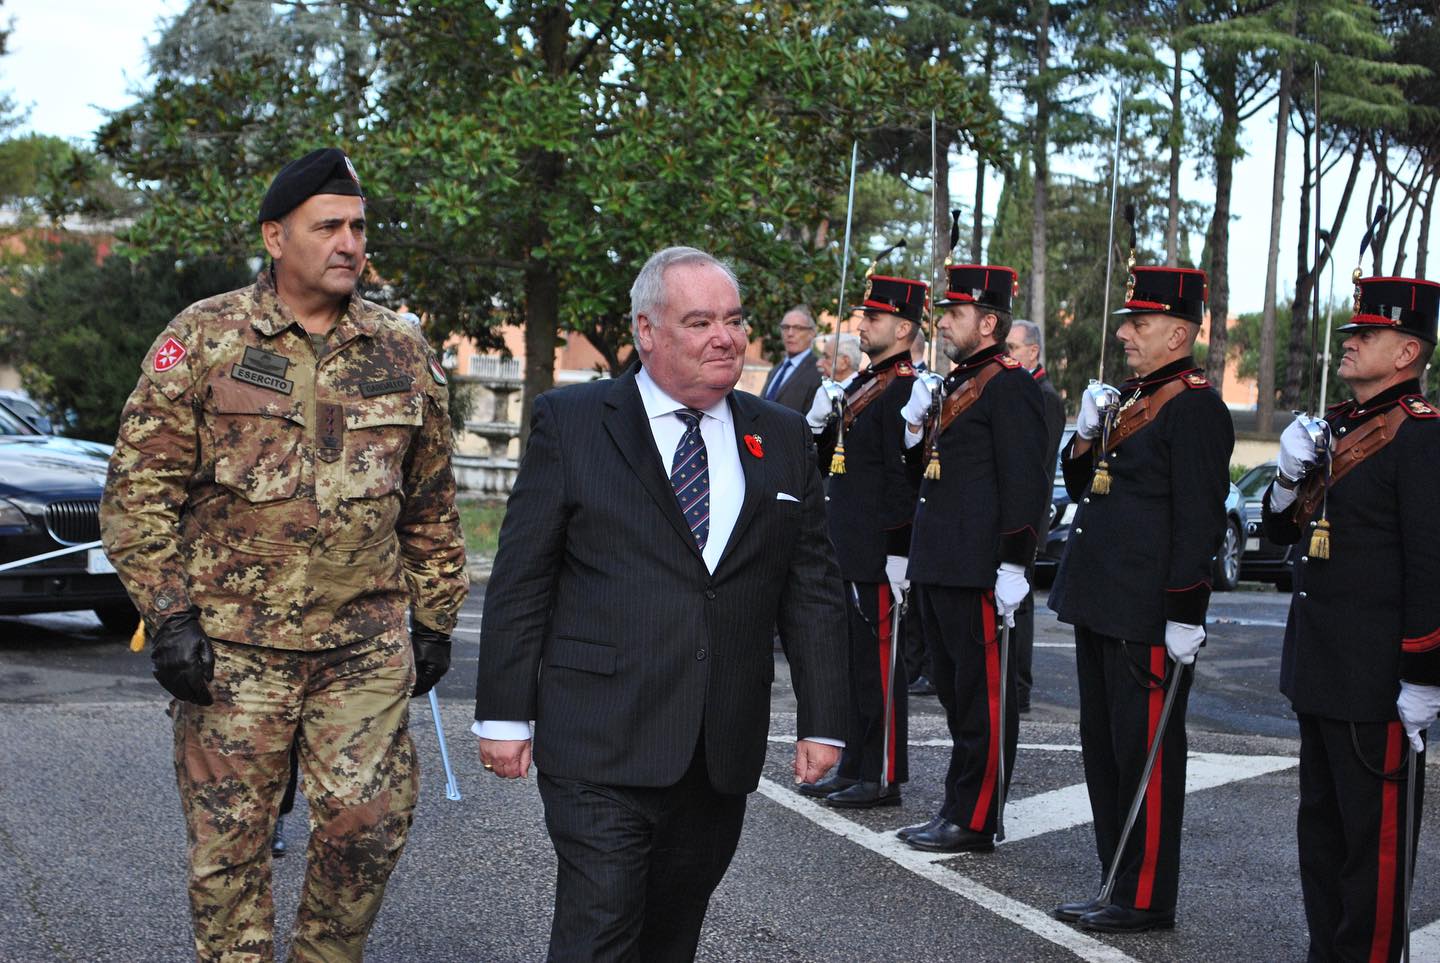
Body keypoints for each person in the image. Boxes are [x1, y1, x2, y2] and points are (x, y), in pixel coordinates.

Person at [99, 147, 469, 962]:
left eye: (359, 227)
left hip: (360, 646)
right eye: (328, 225)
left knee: (367, 827)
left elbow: (432, 501)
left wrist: (437, 618)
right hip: (231, 649)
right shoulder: (204, 337)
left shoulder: (401, 351)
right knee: (230, 849)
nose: (349, 243)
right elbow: (138, 490)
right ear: (275, 236)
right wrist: (170, 616)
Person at [473, 246, 848, 963]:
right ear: (647, 332)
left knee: (671, 937)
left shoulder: (782, 436)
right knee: (601, 927)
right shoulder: (573, 422)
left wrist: (826, 718)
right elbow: (524, 577)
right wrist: (502, 711)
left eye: (735, 321)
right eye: (700, 320)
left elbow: (814, 590)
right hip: (598, 742)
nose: (725, 337)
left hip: (717, 751)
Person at [1047, 265, 1233, 933]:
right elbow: (1079, 479)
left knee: (1144, 754)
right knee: (1104, 749)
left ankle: (1147, 892)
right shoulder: (1131, 396)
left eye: (1142, 322)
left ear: (1181, 331)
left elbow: (1200, 519)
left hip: (1146, 609)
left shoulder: (1195, 406)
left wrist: (1186, 612)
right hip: (1101, 598)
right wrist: (1084, 431)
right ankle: (1118, 875)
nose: (1126, 332)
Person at [1262, 275, 1440, 962]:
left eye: (1368, 333)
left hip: (1377, 678)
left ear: (1407, 352)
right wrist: (1284, 476)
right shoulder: (1334, 427)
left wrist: (1424, 673)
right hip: (1322, 667)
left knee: (1375, 846)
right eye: (1352, 331)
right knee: (1323, 834)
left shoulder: (1421, 436)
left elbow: (1430, 564)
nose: (1351, 340)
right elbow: (1280, 533)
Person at [897, 264, 1049, 853]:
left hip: (977, 565)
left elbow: (1025, 481)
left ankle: (976, 816)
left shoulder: (1008, 385)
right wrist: (914, 429)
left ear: (988, 322)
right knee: (959, 695)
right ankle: (958, 807)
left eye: (955, 313)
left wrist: (1015, 562)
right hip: (940, 561)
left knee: (985, 700)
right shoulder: (955, 382)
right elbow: (928, 478)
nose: (942, 323)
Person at [798, 275, 924, 808]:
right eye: (864, 316)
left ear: (903, 327)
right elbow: (833, 464)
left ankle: (883, 772)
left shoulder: (905, 388)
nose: (862, 324)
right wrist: (821, 426)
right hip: (846, 544)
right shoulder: (861, 385)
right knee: (853, 668)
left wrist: (898, 551)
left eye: (873, 317)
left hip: (878, 551)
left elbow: (902, 479)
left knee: (880, 669)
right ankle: (854, 764)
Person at [1004, 318, 1066, 712]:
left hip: (1025, 518)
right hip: (1011, 515)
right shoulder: (1020, 389)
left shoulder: (1044, 396)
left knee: (1020, 607)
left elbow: (1036, 464)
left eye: (1011, 347)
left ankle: (1020, 687)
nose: (1006, 354)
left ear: (1032, 352)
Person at [759, 304, 823, 412]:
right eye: (785, 327)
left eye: (798, 328)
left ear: (811, 333)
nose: (790, 333)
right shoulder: (776, 369)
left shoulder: (818, 371)